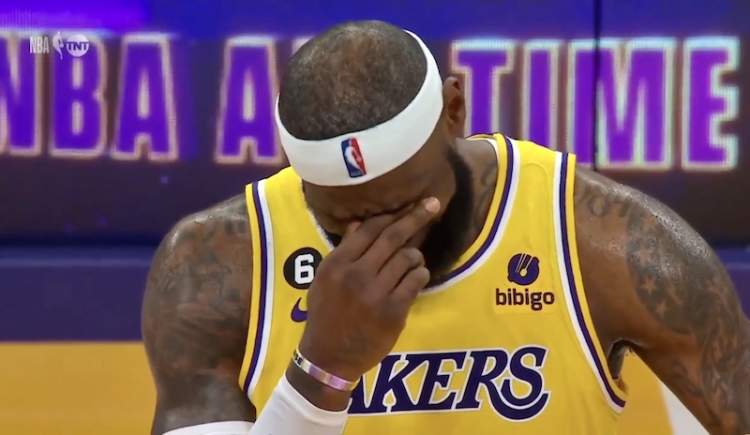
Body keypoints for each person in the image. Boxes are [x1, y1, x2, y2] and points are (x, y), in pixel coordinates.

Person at [142, 21, 750, 435]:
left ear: (454, 112)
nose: (384, 240)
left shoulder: (605, 241)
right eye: (343, 219)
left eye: (406, 204)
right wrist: (320, 373)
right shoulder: (218, 264)